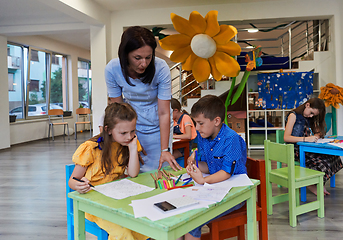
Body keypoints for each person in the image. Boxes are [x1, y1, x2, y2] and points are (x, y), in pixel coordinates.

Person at [105, 26, 181, 172]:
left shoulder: (161, 68)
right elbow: (118, 111)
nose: (144, 64)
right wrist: (129, 140)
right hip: (132, 125)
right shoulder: (112, 69)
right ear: (125, 54)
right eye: (137, 58)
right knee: (134, 170)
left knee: (161, 170)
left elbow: (164, 112)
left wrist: (165, 150)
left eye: (148, 57)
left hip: (159, 126)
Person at [68, 102, 148, 240]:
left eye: (133, 131)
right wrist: (79, 185)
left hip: (116, 199)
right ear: (108, 129)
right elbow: (72, 181)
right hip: (93, 204)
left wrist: (133, 148)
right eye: (123, 133)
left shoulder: (127, 143)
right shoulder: (91, 148)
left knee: (144, 225)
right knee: (123, 233)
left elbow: (133, 173)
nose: (129, 137)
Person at [182, 95, 247, 240]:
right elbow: (209, 166)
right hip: (215, 189)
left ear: (216, 121)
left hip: (235, 194)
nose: (197, 128)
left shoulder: (231, 139)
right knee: (181, 216)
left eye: (200, 123)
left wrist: (202, 180)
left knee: (192, 220)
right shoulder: (204, 135)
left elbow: (226, 173)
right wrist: (195, 167)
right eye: (195, 123)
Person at [284, 97, 343, 195]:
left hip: (306, 147)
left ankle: (320, 182)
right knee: (323, 162)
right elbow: (286, 137)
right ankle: (311, 184)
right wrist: (306, 139)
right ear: (307, 105)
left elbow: (317, 132)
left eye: (314, 115)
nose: (311, 116)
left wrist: (316, 135)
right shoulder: (293, 115)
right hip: (295, 150)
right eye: (311, 113)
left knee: (334, 156)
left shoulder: (308, 117)